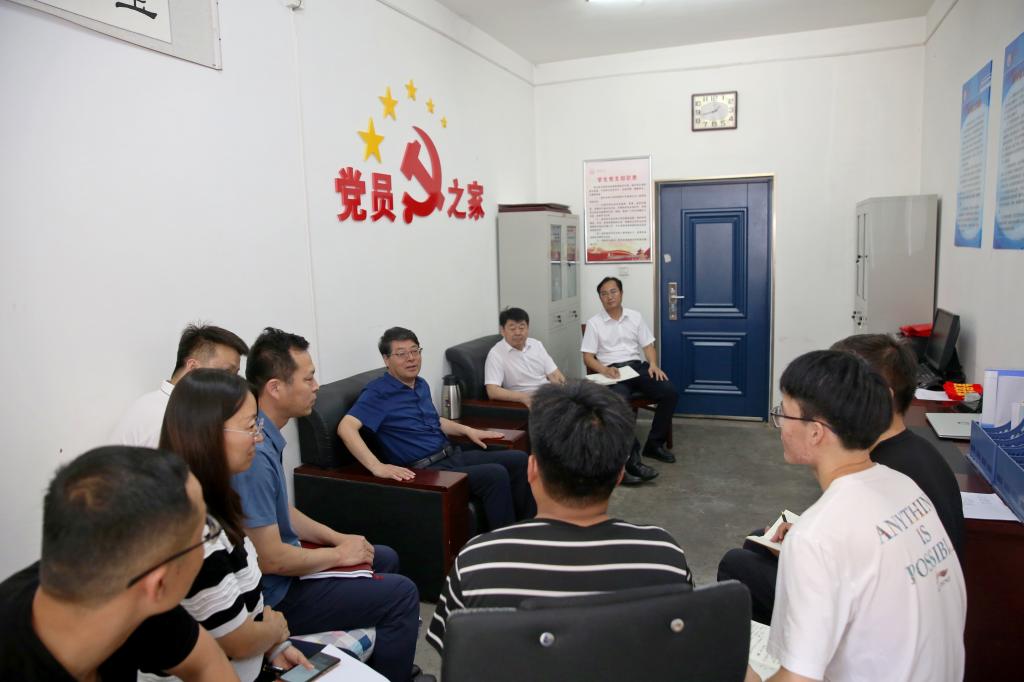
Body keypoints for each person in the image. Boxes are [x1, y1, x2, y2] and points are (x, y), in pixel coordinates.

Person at [426, 380, 693, 653]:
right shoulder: (665, 555)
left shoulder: (475, 564)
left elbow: (456, 658)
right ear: (619, 474)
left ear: (532, 469)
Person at [717, 333, 966, 625]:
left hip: (883, 614)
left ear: (878, 398)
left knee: (738, 563)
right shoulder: (908, 457)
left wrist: (807, 542)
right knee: (758, 542)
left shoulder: (881, 475)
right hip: (902, 602)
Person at [749, 350, 965, 682]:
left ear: (816, 432)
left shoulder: (815, 537)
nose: (780, 426)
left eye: (784, 414)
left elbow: (798, 679)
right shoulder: (904, 486)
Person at [230, 328, 421, 682]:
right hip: (278, 596)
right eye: (308, 378)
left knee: (383, 556)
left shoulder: (267, 436)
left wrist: (338, 538)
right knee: (403, 595)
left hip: (286, 573)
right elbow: (271, 559)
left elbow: (282, 512)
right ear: (275, 388)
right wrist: (338, 555)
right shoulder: (254, 452)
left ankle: (385, 666)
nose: (316, 386)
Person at [0, 446, 238, 681]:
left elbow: (206, 662)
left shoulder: (115, 582)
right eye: (204, 534)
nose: (209, 534)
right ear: (159, 584)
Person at [152, 368, 311, 681]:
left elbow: (238, 616)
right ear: (208, 433)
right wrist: (274, 630)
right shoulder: (193, 530)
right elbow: (238, 641)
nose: (258, 437)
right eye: (251, 426)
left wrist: (274, 646)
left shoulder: (217, 501)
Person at [339, 326, 536, 530]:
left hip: (450, 455)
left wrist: (468, 430)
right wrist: (376, 466)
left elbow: (435, 420)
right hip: (424, 470)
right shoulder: (379, 393)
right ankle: (504, 542)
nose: (411, 359)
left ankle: (528, 527)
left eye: (415, 351)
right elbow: (346, 427)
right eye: (401, 354)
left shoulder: (420, 384)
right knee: (494, 474)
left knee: (519, 459)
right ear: (386, 359)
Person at [582, 276, 676, 478]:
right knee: (618, 405)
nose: (609, 297)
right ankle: (632, 459)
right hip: (613, 372)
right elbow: (588, 357)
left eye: (613, 292)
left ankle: (654, 444)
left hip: (637, 368)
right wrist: (604, 369)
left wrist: (653, 364)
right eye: (604, 294)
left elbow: (648, 346)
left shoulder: (635, 317)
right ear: (600, 298)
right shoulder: (594, 323)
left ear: (621, 293)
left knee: (669, 392)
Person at [111, 323, 249, 447]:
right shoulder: (167, 417)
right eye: (226, 373)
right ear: (193, 368)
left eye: (235, 374)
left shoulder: (169, 406)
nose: (233, 383)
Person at [484, 307, 566, 407]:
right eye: (512, 329)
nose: (518, 333)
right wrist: (524, 398)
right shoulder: (496, 354)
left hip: (547, 394)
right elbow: (492, 391)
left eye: (522, 328)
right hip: (526, 401)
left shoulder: (536, 344)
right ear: (502, 330)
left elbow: (554, 374)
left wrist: (564, 390)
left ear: (527, 328)